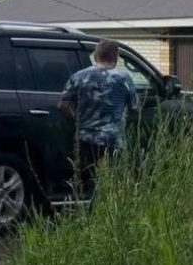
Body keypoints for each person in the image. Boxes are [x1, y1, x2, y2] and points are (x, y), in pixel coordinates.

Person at [58, 39, 139, 197]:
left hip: (84, 138)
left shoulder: (79, 77)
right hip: (114, 139)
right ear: (116, 57)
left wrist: (77, 120)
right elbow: (135, 108)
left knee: (85, 180)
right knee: (113, 181)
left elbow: (62, 105)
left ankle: (85, 209)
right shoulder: (124, 78)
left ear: (95, 56)